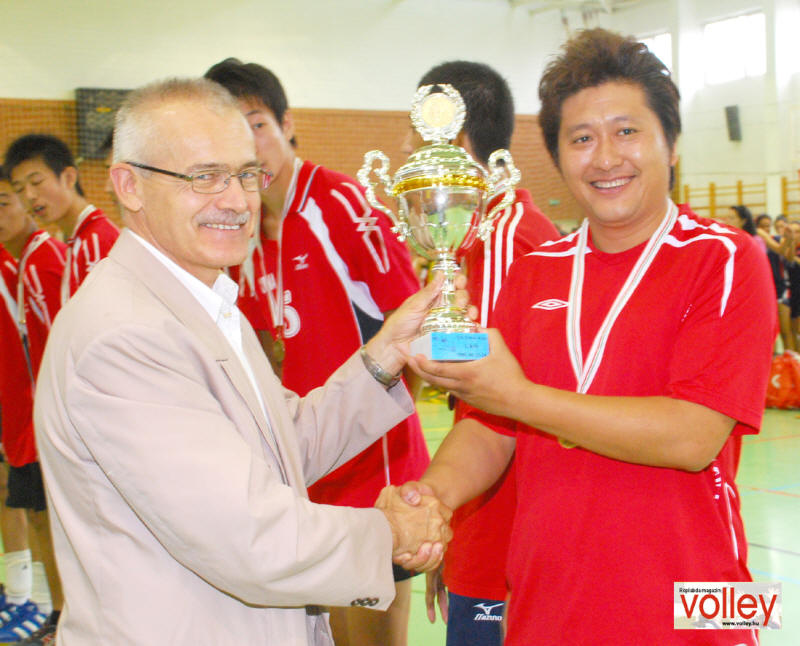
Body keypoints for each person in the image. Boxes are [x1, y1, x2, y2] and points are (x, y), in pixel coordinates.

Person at [33, 77, 453, 646]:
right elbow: (248, 536)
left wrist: (386, 354)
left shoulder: (198, 302)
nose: (236, 200)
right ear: (129, 186)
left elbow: (282, 445)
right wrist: (391, 534)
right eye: (204, 176)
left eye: (247, 174)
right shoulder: (125, 336)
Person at [396, 28, 776, 645]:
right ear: (557, 155)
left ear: (672, 143)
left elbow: (693, 436)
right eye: (581, 138)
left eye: (626, 131)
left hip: (694, 606)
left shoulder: (727, 257)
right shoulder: (535, 270)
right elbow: (490, 428)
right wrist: (433, 496)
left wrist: (517, 396)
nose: (604, 158)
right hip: (548, 606)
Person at [204, 58, 429, 646]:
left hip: (372, 468)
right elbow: (264, 349)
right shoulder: (246, 229)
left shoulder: (338, 204)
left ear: (286, 124)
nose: (249, 147)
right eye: (231, 133)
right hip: (307, 467)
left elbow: (414, 321)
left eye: (257, 125)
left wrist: (392, 448)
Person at [403, 61, 560, 646]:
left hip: (501, 525)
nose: (407, 147)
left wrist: (404, 348)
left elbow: (487, 389)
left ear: (454, 135)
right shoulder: (495, 229)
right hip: (490, 509)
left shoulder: (500, 235)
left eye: (416, 130)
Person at [0, 170, 66, 643]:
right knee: (37, 513)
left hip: (41, 415)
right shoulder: (23, 263)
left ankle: (45, 605)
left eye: (6, 202)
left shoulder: (38, 261)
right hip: (23, 415)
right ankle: (49, 607)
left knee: (52, 518)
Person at [5, 134, 119, 306]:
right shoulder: (78, 240)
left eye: (36, 182)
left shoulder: (96, 240)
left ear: (69, 177)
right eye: (19, 189)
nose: (29, 196)